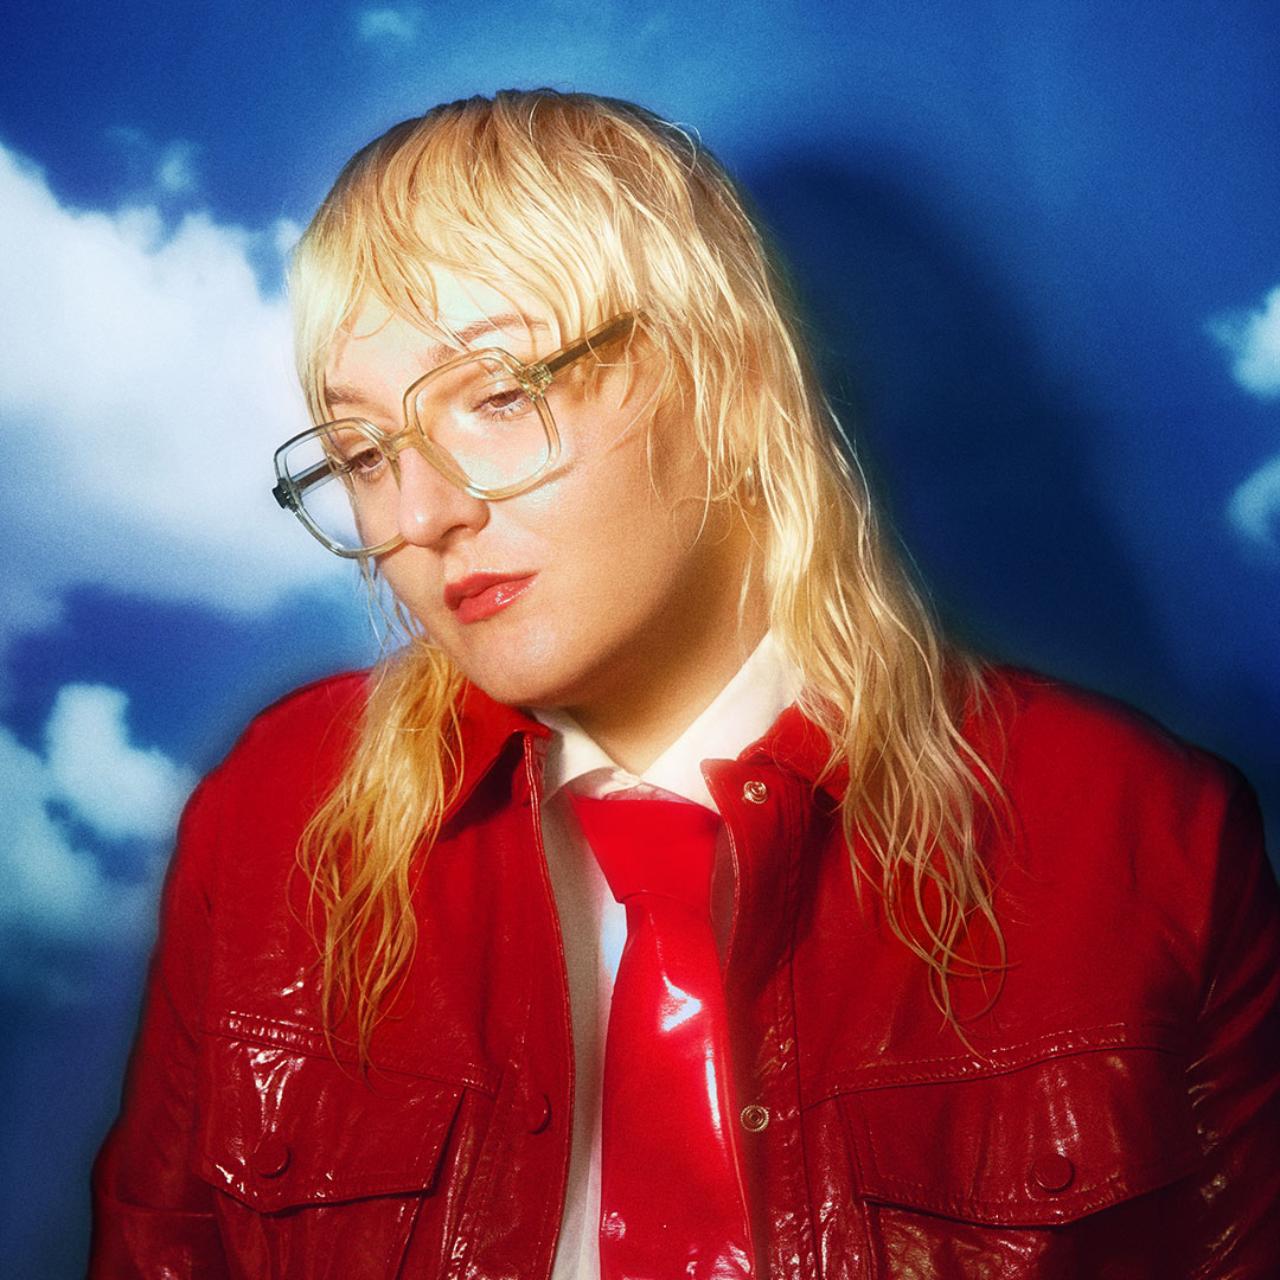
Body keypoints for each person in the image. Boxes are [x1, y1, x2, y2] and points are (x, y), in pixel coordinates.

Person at [90, 89, 1280, 1280]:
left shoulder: (1142, 837)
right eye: (362, 452)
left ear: (725, 373)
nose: (421, 512)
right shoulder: (271, 815)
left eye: (499, 395)